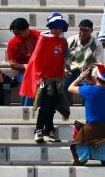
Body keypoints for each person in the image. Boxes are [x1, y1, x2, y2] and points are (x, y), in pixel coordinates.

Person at [20, 13, 70, 143]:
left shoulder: (63, 42)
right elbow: (36, 59)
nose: (57, 30)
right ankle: (38, 131)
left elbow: (63, 60)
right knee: (45, 106)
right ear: (51, 27)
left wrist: (63, 72)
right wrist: (39, 77)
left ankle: (48, 132)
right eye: (55, 27)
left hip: (57, 80)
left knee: (52, 107)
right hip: (45, 79)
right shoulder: (43, 39)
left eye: (60, 27)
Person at [68, 64, 105, 166]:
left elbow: (70, 88)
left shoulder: (88, 90)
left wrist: (80, 77)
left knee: (78, 129)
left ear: (96, 77)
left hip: (91, 129)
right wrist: (94, 80)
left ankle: (83, 157)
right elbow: (100, 86)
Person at [6, 17, 40, 106]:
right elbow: (13, 64)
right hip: (23, 71)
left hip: (41, 69)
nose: (17, 36)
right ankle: (26, 109)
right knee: (28, 80)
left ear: (27, 28)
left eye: (19, 34)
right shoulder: (13, 42)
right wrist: (25, 66)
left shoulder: (39, 37)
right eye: (15, 34)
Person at [65, 19, 104, 93]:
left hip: (87, 74)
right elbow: (64, 58)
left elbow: (99, 64)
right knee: (65, 85)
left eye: (85, 30)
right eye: (81, 29)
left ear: (91, 31)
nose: (82, 32)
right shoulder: (71, 40)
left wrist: (92, 75)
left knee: (90, 93)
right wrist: (66, 71)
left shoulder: (97, 44)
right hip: (71, 72)